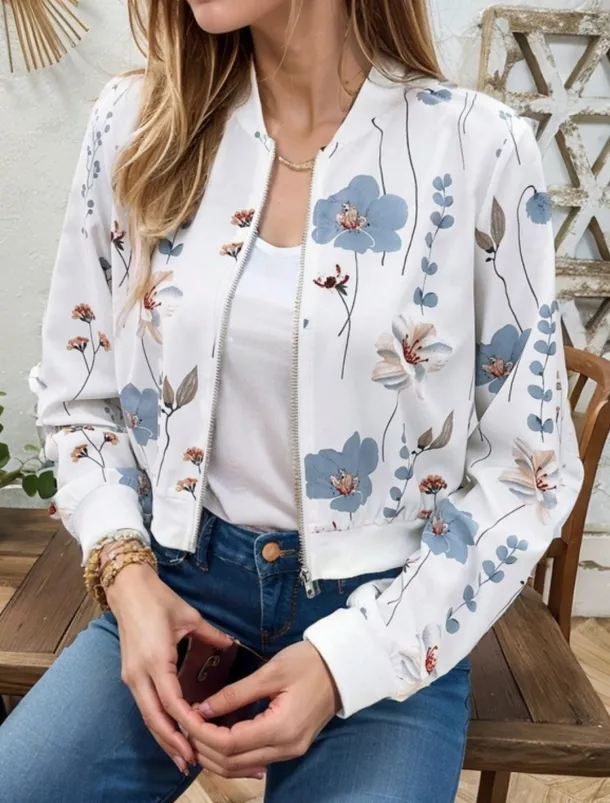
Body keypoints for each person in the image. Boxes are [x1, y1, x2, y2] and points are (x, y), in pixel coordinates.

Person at [0, 0, 583, 801]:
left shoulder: (479, 147)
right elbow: (78, 395)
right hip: (176, 589)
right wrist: (126, 575)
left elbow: (530, 469)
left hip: (389, 609)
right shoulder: (136, 125)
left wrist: (349, 663)